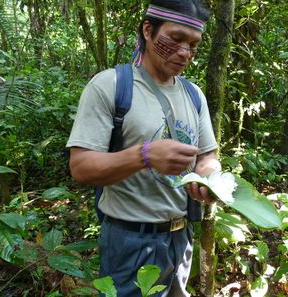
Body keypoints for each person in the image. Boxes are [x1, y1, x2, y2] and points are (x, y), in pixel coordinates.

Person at [66, 0, 221, 296]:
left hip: (181, 236)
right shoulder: (110, 86)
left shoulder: (194, 95)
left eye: (193, 44)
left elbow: (207, 156)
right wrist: (145, 155)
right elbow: (81, 167)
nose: (185, 53)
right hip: (129, 240)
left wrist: (210, 178)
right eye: (175, 40)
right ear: (148, 31)